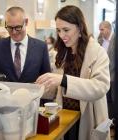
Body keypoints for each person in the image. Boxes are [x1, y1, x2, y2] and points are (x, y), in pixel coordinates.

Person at [36, 5, 110, 140]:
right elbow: (57, 91)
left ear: (80, 27)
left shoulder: (98, 53)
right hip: (65, 117)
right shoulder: (63, 52)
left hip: (88, 118)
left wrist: (63, 80)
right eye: (58, 30)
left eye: (66, 30)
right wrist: (37, 88)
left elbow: (100, 87)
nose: (61, 35)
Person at [0, 6, 51, 83]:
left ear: (26, 22)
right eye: (10, 27)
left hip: (33, 94)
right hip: (4, 94)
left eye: (18, 27)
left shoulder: (41, 47)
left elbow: (47, 78)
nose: (14, 32)